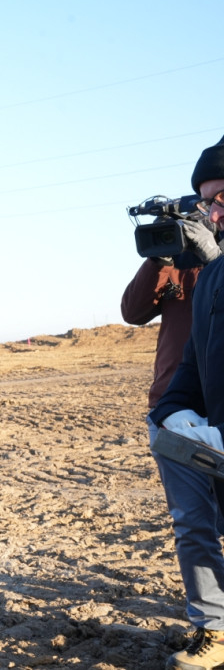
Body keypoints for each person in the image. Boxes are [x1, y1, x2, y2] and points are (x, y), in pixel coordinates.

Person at [148, 133, 224, 670]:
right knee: (192, 522)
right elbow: (195, 363)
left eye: (223, 198)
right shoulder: (213, 276)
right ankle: (216, 630)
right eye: (209, 200)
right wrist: (171, 414)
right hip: (208, 436)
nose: (215, 212)